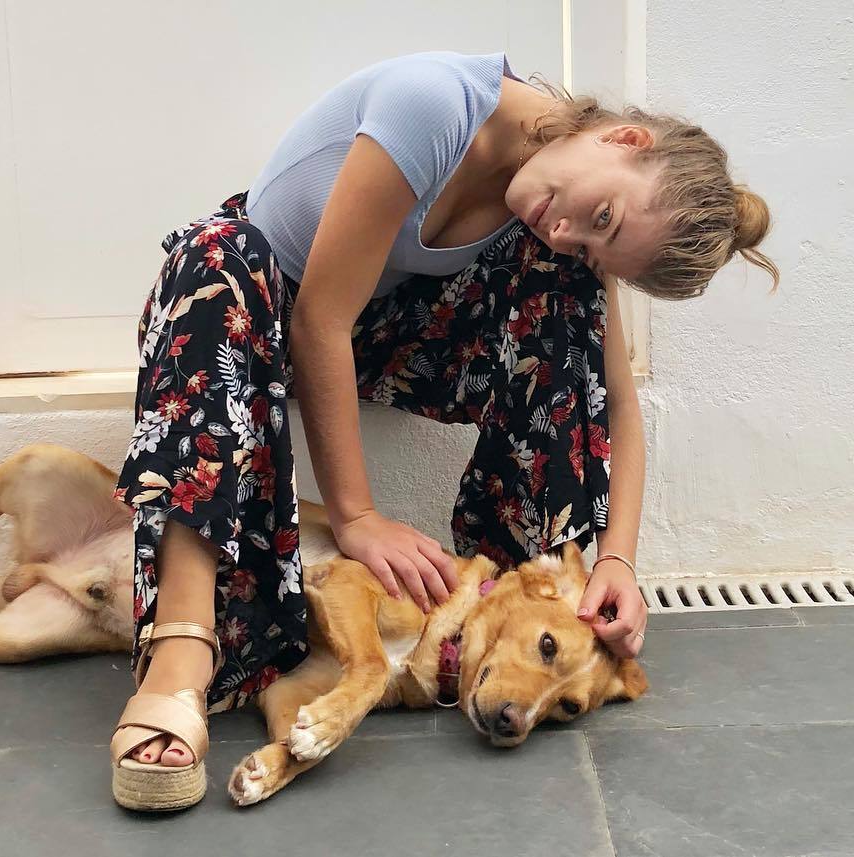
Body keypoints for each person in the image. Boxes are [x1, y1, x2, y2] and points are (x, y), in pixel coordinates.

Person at [106, 51, 778, 811]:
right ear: (624, 139)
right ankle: (180, 651)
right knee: (212, 258)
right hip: (253, 320)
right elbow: (319, 318)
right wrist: (357, 517)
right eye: (602, 218)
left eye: (596, 242)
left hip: (382, 332)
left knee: (565, 288)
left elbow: (614, 400)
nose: (567, 231)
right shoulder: (434, 105)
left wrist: (616, 558)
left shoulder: (551, 222)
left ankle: (503, 602)